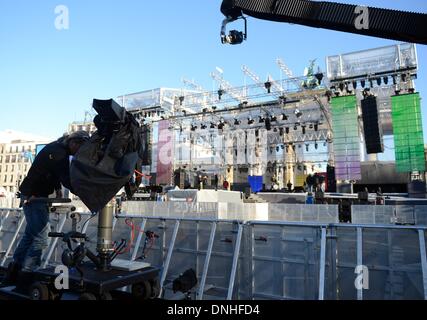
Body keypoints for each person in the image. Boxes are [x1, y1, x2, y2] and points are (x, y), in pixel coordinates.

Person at [5, 131, 89, 281]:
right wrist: (86, 193)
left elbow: (53, 171)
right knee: (42, 239)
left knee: (30, 236)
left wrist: (57, 189)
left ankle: (14, 269)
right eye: (80, 149)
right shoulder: (59, 153)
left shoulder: (57, 148)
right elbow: (66, 177)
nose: (79, 153)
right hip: (33, 196)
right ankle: (28, 273)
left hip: (33, 195)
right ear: (73, 143)